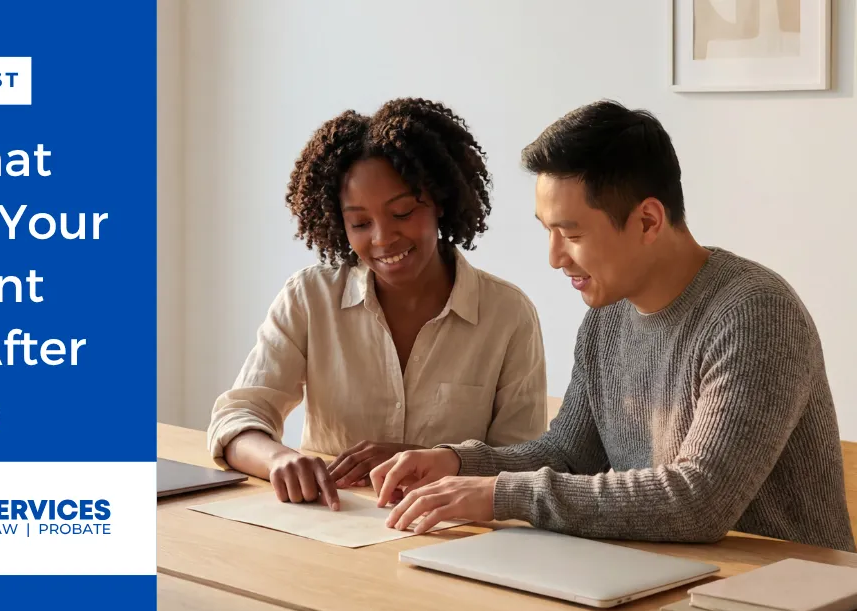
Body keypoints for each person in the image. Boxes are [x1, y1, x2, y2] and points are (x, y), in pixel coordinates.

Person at [371, 100, 855, 552]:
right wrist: (458, 462)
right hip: (661, 574)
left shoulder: (756, 312)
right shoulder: (606, 319)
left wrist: (501, 494)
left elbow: (699, 500)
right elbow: (569, 454)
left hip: (784, 589)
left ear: (647, 221)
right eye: (548, 230)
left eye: (572, 233)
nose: (555, 257)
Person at [208, 98, 548, 511]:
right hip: (329, 527)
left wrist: (428, 460)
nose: (383, 238)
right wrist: (279, 458)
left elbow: (526, 463)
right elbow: (237, 418)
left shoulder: (507, 314)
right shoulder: (309, 299)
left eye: (402, 213)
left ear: (439, 202)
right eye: (360, 223)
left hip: (454, 532)